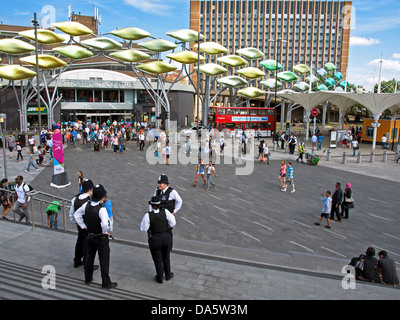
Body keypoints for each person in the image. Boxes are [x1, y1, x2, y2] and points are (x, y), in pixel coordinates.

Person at [74, 184, 118, 289]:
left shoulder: (86, 205)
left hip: (90, 235)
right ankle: (106, 282)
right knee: (104, 260)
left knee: (89, 258)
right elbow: (105, 224)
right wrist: (106, 232)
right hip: (100, 238)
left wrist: (84, 226)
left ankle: (88, 278)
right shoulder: (101, 209)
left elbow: (77, 215)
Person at [140, 195, 176, 284]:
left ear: (152, 206)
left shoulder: (148, 215)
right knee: (166, 257)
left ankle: (159, 277)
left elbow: (143, 228)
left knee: (157, 259)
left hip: (155, 239)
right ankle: (168, 274)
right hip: (165, 237)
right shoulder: (165, 212)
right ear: (160, 205)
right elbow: (173, 222)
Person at [69, 180, 94, 268]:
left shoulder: (75, 199)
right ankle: (87, 263)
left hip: (79, 225)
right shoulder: (89, 201)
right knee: (88, 244)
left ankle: (77, 260)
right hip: (87, 226)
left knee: (79, 242)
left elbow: (71, 214)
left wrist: (75, 222)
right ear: (89, 190)